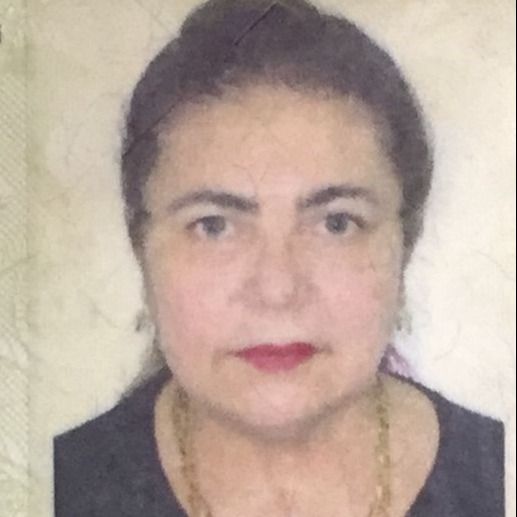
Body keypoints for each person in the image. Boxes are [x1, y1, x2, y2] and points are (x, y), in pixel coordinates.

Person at [53, 1, 505, 515]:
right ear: (142, 246)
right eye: (214, 226)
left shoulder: (495, 477)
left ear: (405, 241)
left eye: (337, 223)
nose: (277, 289)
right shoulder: (46, 487)